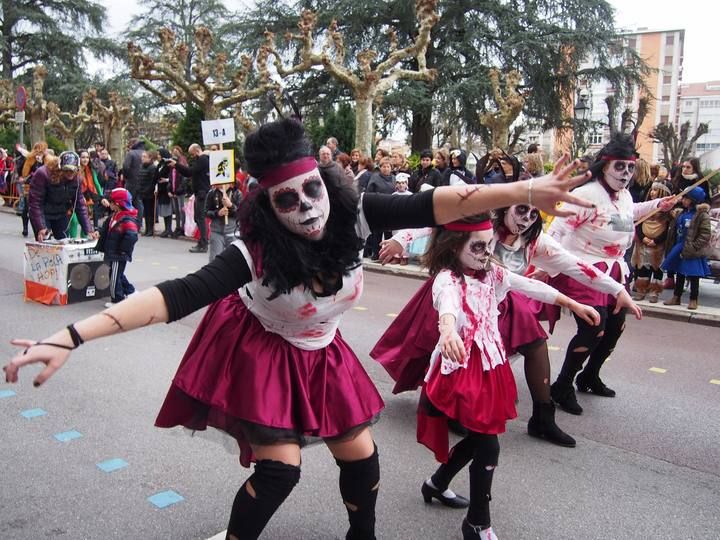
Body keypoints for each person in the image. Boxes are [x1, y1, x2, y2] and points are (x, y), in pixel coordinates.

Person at [3, 117, 593, 540]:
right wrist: (71, 336)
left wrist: (522, 191)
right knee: (282, 469)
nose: (308, 207)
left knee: (361, 458)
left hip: (323, 350)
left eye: (314, 189)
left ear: (325, 181)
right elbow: (171, 298)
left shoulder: (356, 209)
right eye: (289, 199)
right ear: (268, 206)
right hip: (264, 347)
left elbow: (440, 201)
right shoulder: (252, 251)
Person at [370, 215, 600, 540]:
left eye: (490, 243)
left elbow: (531, 285)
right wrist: (448, 331)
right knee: (488, 445)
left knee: (481, 438)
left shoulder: (492, 272)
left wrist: (572, 303)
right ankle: (478, 522)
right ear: (454, 246)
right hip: (460, 370)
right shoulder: (447, 280)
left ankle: (437, 484)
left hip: (491, 367)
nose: (487, 251)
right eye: (479, 246)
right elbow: (446, 307)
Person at [546, 134, 675, 414]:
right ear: (604, 166)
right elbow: (556, 232)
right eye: (619, 167)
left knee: (615, 327)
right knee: (594, 327)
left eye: (629, 168)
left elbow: (626, 214)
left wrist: (656, 206)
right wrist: (544, 268)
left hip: (615, 270)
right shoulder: (586, 194)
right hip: (583, 269)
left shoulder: (624, 195)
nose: (625, 174)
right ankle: (562, 385)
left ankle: (589, 376)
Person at [662, 186, 712, 310]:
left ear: (694, 200)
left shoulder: (702, 215)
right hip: (679, 246)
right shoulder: (682, 212)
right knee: (679, 272)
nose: (683, 200)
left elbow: (705, 234)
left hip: (692, 249)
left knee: (694, 275)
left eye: (686, 198)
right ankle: (676, 297)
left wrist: (694, 247)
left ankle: (693, 299)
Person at [29, 152, 96, 241]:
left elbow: (80, 205)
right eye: (66, 170)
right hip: (43, 213)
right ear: (60, 167)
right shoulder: (43, 174)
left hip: (61, 214)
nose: (70, 173)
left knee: (64, 242)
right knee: (44, 244)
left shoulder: (77, 179)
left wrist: (89, 230)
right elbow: (35, 203)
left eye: (73, 170)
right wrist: (41, 227)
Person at [96, 188, 138, 307]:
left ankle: (117, 300)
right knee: (118, 274)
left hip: (118, 253)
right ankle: (131, 291)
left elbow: (131, 237)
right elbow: (106, 228)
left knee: (114, 276)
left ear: (118, 204)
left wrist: (122, 250)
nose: (110, 204)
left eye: (112, 202)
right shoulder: (115, 215)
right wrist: (98, 232)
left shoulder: (126, 219)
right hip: (115, 252)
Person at [631, 182, 672, 302]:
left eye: (656, 190)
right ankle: (641, 290)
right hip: (643, 242)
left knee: (657, 269)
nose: (652, 192)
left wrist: (657, 240)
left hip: (658, 245)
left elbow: (668, 230)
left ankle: (655, 292)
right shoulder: (645, 208)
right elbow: (637, 224)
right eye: (652, 190)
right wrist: (643, 237)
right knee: (643, 267)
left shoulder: (668, 213)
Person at [170, 143, 211, 253]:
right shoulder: (201, 160)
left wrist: (176, 165)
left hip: (202, 192)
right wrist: (176, 166)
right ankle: (202, 242)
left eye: (192, 154)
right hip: (199, 192)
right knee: (197, 218)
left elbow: (190, 171)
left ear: (197, 151)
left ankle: (203, 243)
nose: (192, 157)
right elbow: (189, 173)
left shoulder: (202, 159)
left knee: (200, 218)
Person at [365, 156, 396, 260]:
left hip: (390, 209)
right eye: (383, 166)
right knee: (377, 233)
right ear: (380, 167)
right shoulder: (375, 177)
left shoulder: (394, 178)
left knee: (388, 234)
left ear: (391, 168)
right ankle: (376, 253)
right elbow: (369, 192)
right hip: (377, 208)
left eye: (388, 166)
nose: (386, 168)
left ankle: (388, 254)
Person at [205, 183, 241, 262]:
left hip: (232, 231)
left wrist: (231, 205)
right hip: (216, 231)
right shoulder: (212, 193)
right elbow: (206, 212)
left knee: (233, 261)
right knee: (214, 260)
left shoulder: (237, 193)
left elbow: (241, 212)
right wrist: (217, 213)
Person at [121, 138, 146, 222]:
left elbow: (125, 166)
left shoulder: (131, 153)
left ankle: (129, 221)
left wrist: (126, 176)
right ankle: (139, 222)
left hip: (131, 181)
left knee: (128, 200)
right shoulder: (144, 153)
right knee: (139, 202)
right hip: (142, 181)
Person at [78, 150, 104, 229]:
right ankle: (71, 240)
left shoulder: (91, 169)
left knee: (86, 220)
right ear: (78, 158)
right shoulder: (75, 170)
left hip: (88, 196)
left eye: (87, 157)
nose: (85, 159)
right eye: (83, 157)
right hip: (76, 197)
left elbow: (96, 183)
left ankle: (85, 238)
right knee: (74, 221)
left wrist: (102, 197)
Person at [169, 146, 189, 237]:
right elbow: (170, 179)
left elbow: (184, 178)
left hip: (180, 191)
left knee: (182, 210)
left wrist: (180, 189)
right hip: (173, 190)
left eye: (176, 150)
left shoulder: (182, 162)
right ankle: (177, 227)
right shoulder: (172, 166)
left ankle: (183, 227)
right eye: (173, 151)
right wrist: (170, 189)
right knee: (176, 210)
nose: (175, 152)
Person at [137, 151, 158, 237]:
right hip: (142, 192)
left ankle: (150, 229)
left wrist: (148, 190)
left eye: (145, 157)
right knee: (146, 211)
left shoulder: (152, 168)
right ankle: (147, 228)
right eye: (142, 157)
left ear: (150, 158)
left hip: (150, 193)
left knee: (150, 211)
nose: (142, 158)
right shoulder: (141, 167)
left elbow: (153, 181)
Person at [155, 149, 174, 237]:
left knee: (167, 209)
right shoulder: (159, 165)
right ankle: (166, 228)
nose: (158, 156)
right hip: (161, 189)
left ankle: (169, 229)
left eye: (159, 154)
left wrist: (166, 180)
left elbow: (172, 176)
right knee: (163, 209)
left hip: (167, 189)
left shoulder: (168, 164)